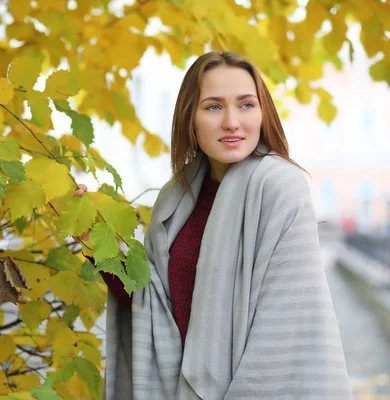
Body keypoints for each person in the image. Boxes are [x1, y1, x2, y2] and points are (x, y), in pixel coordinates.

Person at [74, 51, 352, 399]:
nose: (232, 122)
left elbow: (282, 336)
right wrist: (96, 243)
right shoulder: (175, 198)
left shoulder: (281, 188)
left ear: (263, 113)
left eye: (246, 105)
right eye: (214, 107)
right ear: (190, 118)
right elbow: (155, 310)